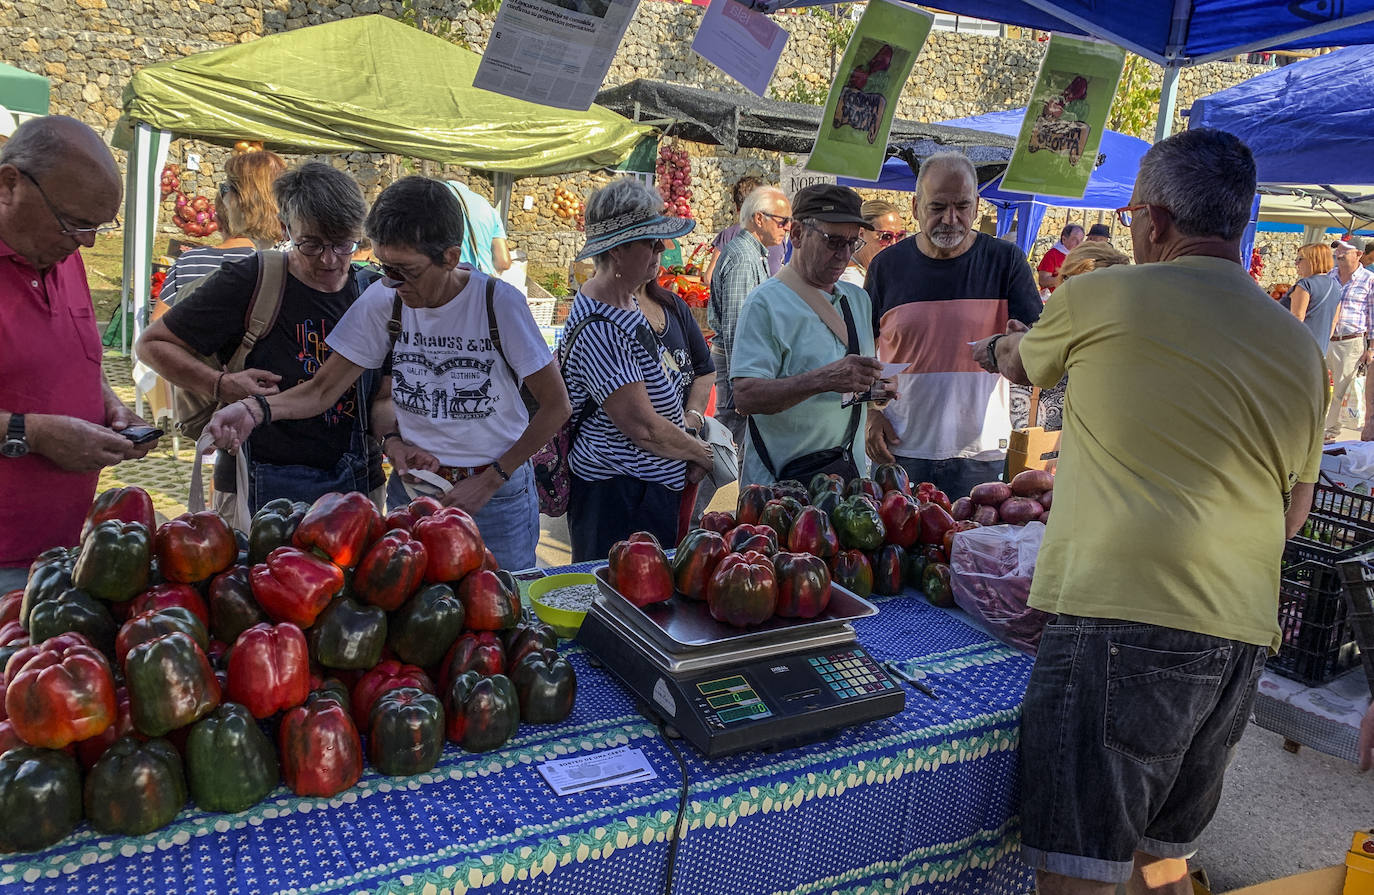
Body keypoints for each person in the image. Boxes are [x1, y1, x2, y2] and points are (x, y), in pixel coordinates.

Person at [974, 128, 1325, 895]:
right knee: (1162, 857)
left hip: (1119, 621)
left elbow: (1021, 360)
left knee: (1079, 871)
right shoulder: (1301, 347)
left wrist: (992, 349)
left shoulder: (1101, 294)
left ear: (1156, 223)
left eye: (1133, 214)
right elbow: (1293, 513)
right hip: (1237, 635)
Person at [204, 176, 569, 571]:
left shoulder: (497, 304)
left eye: (405, 270)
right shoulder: (385, 299)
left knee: (501, 609)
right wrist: (253, 410)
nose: (392, 282)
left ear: (449, 257)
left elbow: (556, 406)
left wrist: (491, 479)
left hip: (496, 496)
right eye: (384, 266)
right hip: (415, 493)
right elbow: (321, 390)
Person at [138, 163, 390, 526]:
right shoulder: (251, 280)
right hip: (254, 484)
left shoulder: (373, 292)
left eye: (343, 244)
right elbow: (152, 344)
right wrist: (220, 385)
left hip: (357, 487)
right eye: (312, 244)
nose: (330, 260)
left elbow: (382, 394)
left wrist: (399, 442)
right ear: (286, 228)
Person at [0, 116, 160, 590]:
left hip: (65, 545)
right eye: (75, 223)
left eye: (97, 228)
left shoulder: (60, 253)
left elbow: (79, 357)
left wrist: (109, 404)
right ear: (10, 185)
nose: (87, 242)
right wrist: (34, 433)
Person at [864, 151, 1041, 500]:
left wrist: (1019, 344)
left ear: (977, 206)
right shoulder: (886, 267)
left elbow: (1038, 344)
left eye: (962, 206)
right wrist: (869, 414)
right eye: (937, 207)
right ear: (915, 207)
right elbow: (858, 349)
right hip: (901, 449)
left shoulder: (1006, 262)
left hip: (982, 453)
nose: (951, 218)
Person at [560, 177, 713, 561]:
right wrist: (702, 454)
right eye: (650, 241)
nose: (661, 249)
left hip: (642, 492)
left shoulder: (624, 302)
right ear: (618, 250)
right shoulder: (601, 326)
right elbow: (643, 428)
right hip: (617, 498)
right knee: (618, 606)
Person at [732, 185, 884, 487]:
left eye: (852, 243)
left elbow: (851, 388)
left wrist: (877, 389)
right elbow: (745, 396)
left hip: (846, 478)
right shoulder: (765, 303)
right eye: (834, 241)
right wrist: (822, 380)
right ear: (798, 234)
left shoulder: (858, 300)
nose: (843, 255)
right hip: (782, 487)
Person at [1010, 240, 1130, 431]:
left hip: (1063, 440)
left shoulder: (1068, 311)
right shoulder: (1134, 322)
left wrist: (1011, 345)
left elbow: (1031, 371)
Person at [708, 185, 792, 447]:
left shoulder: (753, 253)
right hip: (736, 362)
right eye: (783, 221)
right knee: (729, 443)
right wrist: (740, 385)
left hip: (740, 363)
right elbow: (737, 326)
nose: (788, 227)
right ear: (759, 218)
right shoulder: (744, 258)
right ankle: (717, 490)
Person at [158, 150, 287, 306]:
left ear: (245, 199)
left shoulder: (288, 262)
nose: (223, 200)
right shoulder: (272, 254)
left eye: (225, 189)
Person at [1327, 238, 1374, 442]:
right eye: (1339, 249)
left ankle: (1329, 433)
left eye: (1346, 250)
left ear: (1359, 254)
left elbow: (1373, 315)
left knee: (1340, 390)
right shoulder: (1330, 276)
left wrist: (1371, 347)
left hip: (1351, 341)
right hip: (1326, 338)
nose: (1340, 253)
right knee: (1318, 385)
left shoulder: (1369, 280)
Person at [701, 176, 786, 284]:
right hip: (772, 298)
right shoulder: (777, 234)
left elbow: (709, 278)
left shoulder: (728, 235)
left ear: (737, 208)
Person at [1280, 243, 1340, 354]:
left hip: (1297, 350)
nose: (1296, 263)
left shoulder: (1306, 284)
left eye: (1300, 259)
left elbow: (1297, 318)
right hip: (1320, 350)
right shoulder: (1336, 286)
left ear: (1313, 260)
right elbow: (1333, 322)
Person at [444, 179, 511, 275]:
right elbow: (503, 263)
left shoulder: (432, 198)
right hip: (482, 281)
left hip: (447, 279)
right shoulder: (486, 206)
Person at [839, 199, 905, 288]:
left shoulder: (879, 273)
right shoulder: (851, 280)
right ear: (861, 233)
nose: (894, 244)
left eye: (899, 236)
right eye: (886, 236)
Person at [1036, 223, 1085, 294]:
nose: (1078, 243)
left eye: (1081, 240)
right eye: (1074, 239)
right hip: (1055, 299)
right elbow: (1043, 281)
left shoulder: (1081, 255)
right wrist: (1064, 278)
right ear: (1064, 239)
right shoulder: (1052, 254)